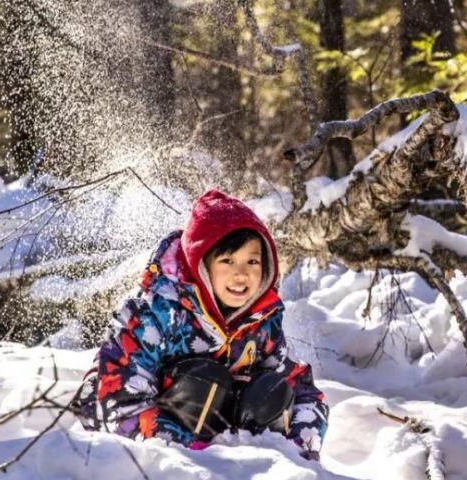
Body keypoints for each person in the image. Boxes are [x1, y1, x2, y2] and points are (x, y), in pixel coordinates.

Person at [78, 189, 328, 458]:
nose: (241, 274)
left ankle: (259, 459)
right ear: (201, 266)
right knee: (204, 382)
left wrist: (298, 448)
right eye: (228, 261)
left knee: (270, 390)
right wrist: (198, 455)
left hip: (221, 436)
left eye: (252, 261)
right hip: (133, 431)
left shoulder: (262, 323)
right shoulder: (155, 315)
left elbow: (300, 390)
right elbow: (120, 401)